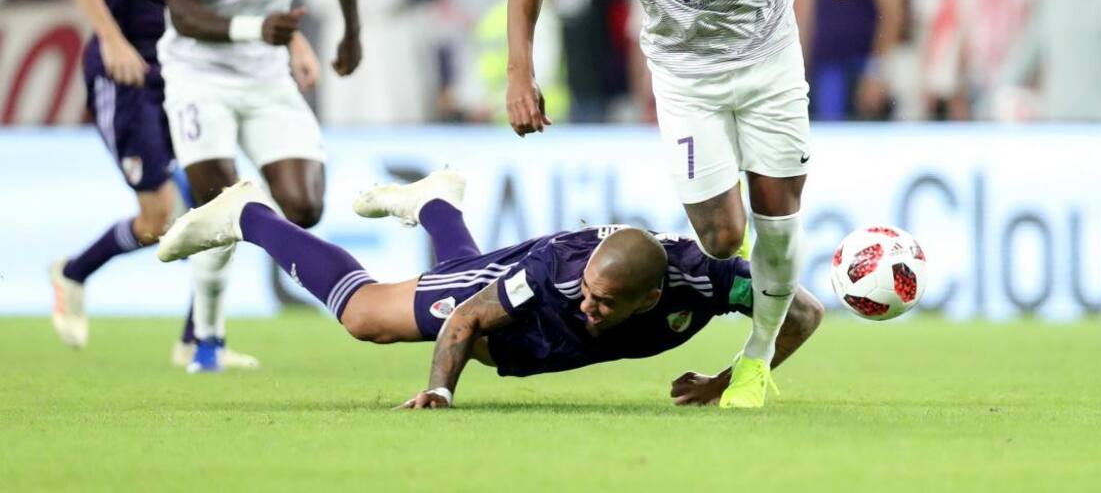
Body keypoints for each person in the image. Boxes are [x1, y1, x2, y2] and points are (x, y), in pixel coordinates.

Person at [505, 0, 877, 407]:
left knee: (778, 223)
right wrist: (521, 73)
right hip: (688, 79)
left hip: (770, 62)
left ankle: (754, 362)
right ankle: (684, 269)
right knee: (723, 240)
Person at [49, 0, 317, 371]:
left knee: (221, 204)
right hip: (131, 71)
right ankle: (73, 271)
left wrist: (292, 39)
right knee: (159, 219)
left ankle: (198, 339)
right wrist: (110, 38)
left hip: (194, 69)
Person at [154, 170, 825, 409]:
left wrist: (728, 381)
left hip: (532, 337)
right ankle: (248, 215)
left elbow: (802, 313)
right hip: (513, 290)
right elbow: (468, 319)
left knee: (474, 305)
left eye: (603, 304)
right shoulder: (558, 275)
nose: (589, 307)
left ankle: (437, 202)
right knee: (366, 317)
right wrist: (441, 391)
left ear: (651, 299)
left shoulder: (708, 280)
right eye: (588, 294)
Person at [158, 0, 362, 371]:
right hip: (199, 75)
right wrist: (258, 28)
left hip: (267, 75)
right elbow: (183, 12)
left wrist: (352, 30)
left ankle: (229, 224)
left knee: (305, 206)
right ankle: (206, 339)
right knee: (223, 207)